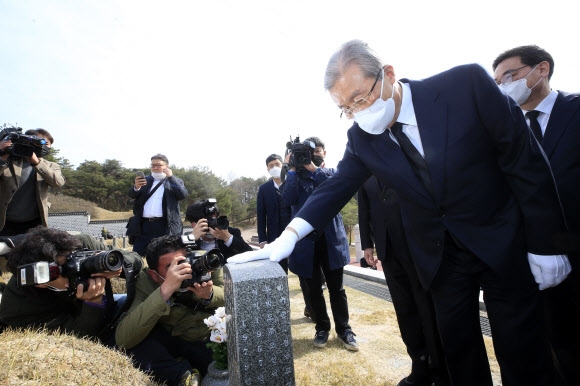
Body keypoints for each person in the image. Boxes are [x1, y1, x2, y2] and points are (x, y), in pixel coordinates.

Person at [230, 39, 571, 386]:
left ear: (389, 75)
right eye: (346, 107)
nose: (358, 112)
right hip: (441, 261)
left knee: (522, 352)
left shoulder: (464, 86)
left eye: (361, 98)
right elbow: (335, 188)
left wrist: (548, 244)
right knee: (459, 355)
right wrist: (290, 235)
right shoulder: (362, 137)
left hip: (501, 241)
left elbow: (524, 161)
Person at [492, 45, 580, 386]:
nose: (503, 86)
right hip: (536, 257)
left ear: (541, 69)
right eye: (496, 81)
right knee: (553, 344)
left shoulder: (575, 110)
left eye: (509, 76)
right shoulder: (504, 131)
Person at [358, 176, 448, 386]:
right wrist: (367, 244)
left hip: (415, 243)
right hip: (387, 247)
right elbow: (365, 207)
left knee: (427, 308)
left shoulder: (400, 148)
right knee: (404, 309)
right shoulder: (361, 160)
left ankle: (439, 370)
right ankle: (419, 364)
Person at [281, 136, 358, 351]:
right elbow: (288, 199)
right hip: (306, 242)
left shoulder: (330, 173)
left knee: (337, 288)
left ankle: (344, 330)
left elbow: (336, 190)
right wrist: (293, 169)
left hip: (331, 239)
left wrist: (312, 168)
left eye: (313, 152)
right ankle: (322, 327)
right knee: (313, 289)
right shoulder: (293, 176)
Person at [115, 235, 223, 386]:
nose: (184, 268)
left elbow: (232, 295)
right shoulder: (145, 280)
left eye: (183, 260)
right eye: (171, 266)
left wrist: (209, 295)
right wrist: (165, 290)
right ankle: (182, 375)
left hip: (208, 338)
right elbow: (124, 339)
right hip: (173, 339)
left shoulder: (205, 260)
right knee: (137, 346)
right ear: (154, 275)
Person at [0, 227, 127, 340]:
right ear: (40, 282)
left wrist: (118, 267)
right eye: (64, 271)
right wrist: (94, 302)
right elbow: (78, 335)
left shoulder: (79, 244)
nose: (72, 271)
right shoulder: (17, 310)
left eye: (71, 262)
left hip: (109, 303)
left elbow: (134, 259)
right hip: (78, 315)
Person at [0, 128, 65, 236]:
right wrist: (2, 158)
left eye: (48, 146)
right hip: (5, 223)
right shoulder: (9, 161)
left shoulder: (50, 166)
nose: (46, 148)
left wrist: (37, 163)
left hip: (34, 224)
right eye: (43, 143)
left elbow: (58, 183)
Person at [128, 153, 188, 256]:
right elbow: (132, 194)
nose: (155, 168)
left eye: (159, 165)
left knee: (163, 257)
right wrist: (136, 187)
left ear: (167, 167)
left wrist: (171, 177)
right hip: (144, 225)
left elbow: (182, 195)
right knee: (136, 255)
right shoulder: (145, 181)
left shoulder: (175, 181)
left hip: (164, 226)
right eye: (153, 165)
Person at [256, 154, 292, 272]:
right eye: (271, 166)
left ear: (283, 165)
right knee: (280, 269)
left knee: (300, 265)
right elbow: (261, 216)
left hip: (294, 231)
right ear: (268, 169)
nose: (274, 167)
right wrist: (262, 240)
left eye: (277, 164)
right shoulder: (264, 189)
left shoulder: (292, 183)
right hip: (275, 235)